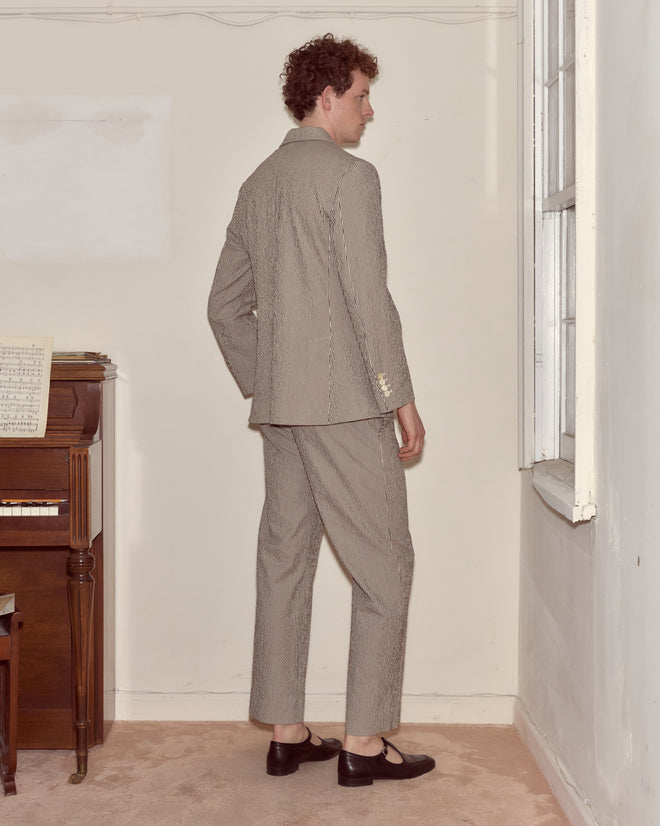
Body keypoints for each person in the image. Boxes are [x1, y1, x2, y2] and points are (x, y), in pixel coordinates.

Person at [208, 33, 434, 787]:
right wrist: (399, 398)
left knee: (284, 564)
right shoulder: (350, 179)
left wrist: (270, 376)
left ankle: (286, 732)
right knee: (385, 569)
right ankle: (364, 745)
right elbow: (371, 301)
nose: (370, 112)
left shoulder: (257, 184)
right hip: (343, 408)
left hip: (281, 412)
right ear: (327, 96)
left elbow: (223, 308)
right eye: (363, 95)